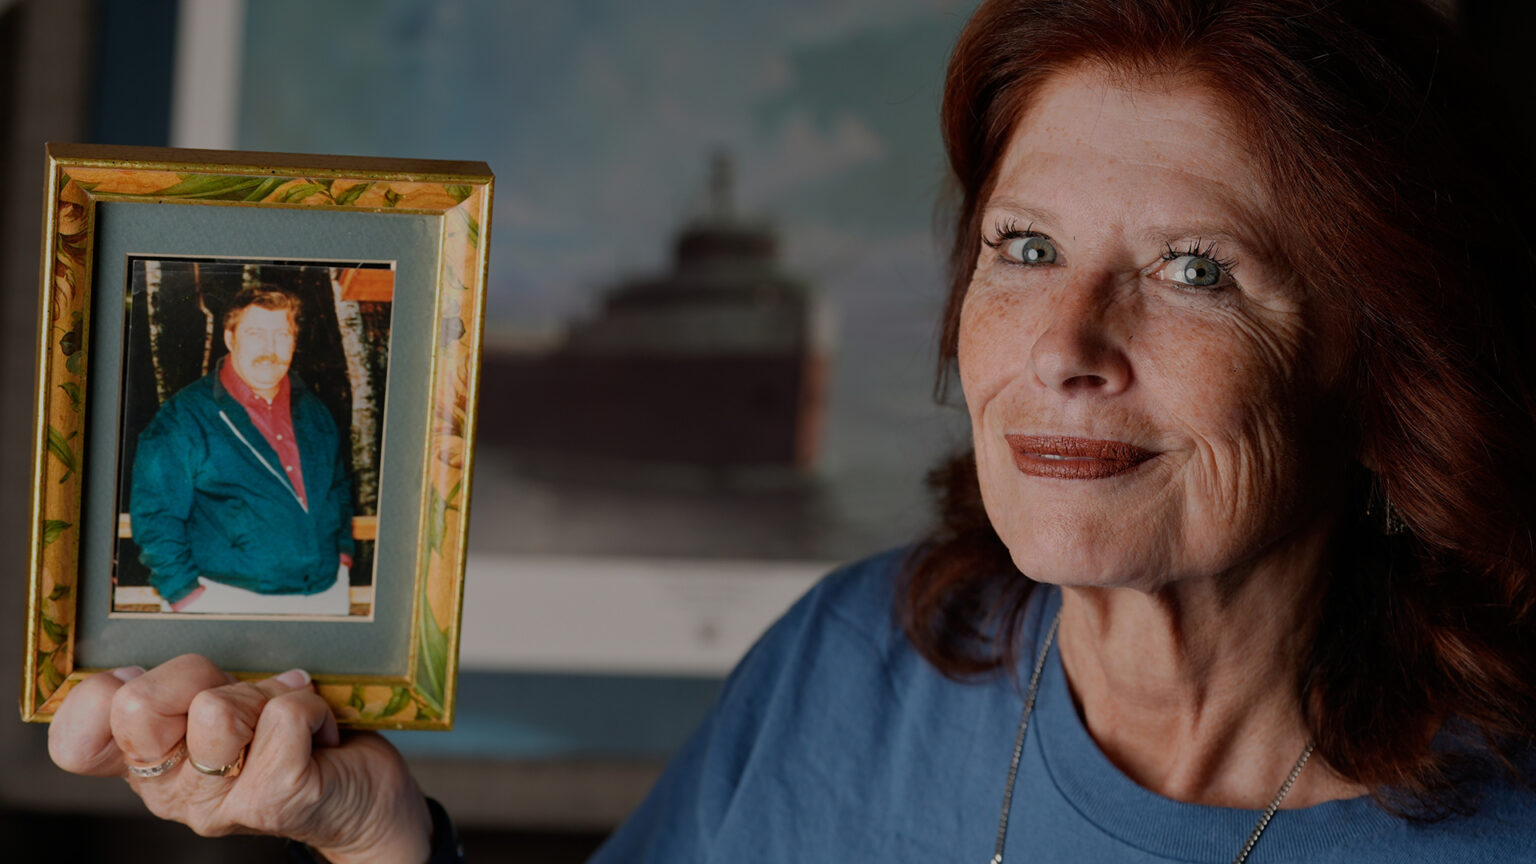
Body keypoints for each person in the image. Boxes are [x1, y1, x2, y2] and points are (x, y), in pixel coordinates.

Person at [48, 0, 1536, 860]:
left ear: (1376, 363)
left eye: (1194, 271)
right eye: (1023, 247)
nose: (1070, 345)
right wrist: (373, 830)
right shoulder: (853, 664)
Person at [130, 284, 356, 616]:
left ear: (294, 341)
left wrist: (343, 556)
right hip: (229, 597)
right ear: (230, 338)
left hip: (324, 593)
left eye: (282, 334)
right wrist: (184, 594)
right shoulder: (185, 417)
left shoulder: (314, 410)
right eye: (255, 334)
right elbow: (155, 514)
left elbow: (338, 485)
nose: (270, 348)